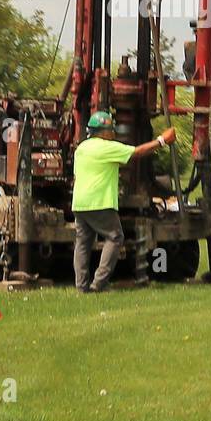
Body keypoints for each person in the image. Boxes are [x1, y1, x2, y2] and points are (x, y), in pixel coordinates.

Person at [71, 110, 176, 293]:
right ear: (103, 132)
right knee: (115, 237)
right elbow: (137, 152)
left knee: (83, 243)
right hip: (100, 202)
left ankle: (81, 286)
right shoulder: (107, 147)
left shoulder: (82, 148)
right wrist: (162, 140)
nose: (113, 133)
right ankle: (99, 284)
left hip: (80, 203)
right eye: (111, 129)